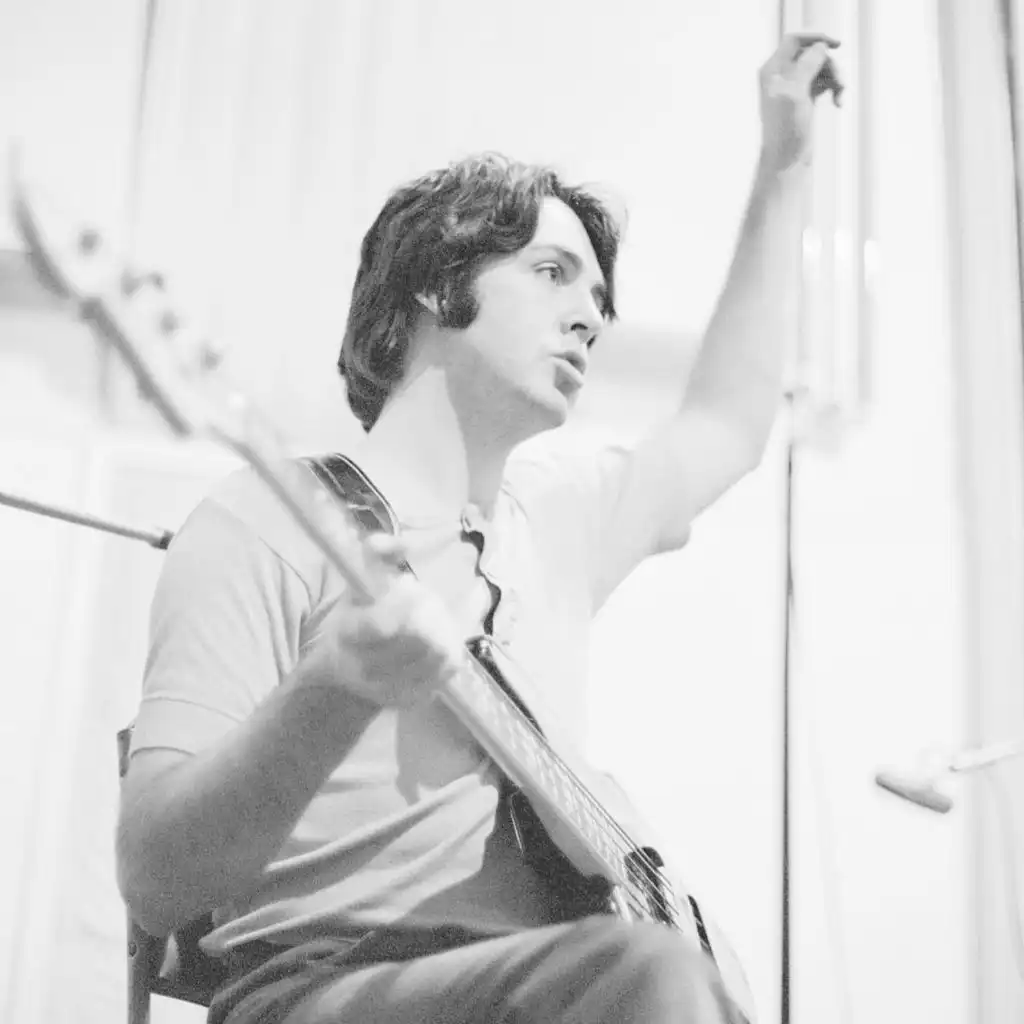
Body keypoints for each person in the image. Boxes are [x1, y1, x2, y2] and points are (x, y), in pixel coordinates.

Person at [116, 32, 843, 1024]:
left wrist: (786, 163)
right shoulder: (267, 518)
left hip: (559, 985)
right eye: (552, 273)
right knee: (651, 978)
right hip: (316, 990)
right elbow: (156, 878)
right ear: (433, 282)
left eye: (598, 298)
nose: (591, 318)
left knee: (662, 977)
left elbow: (724, 422)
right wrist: (336, 686)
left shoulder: (558, 518)